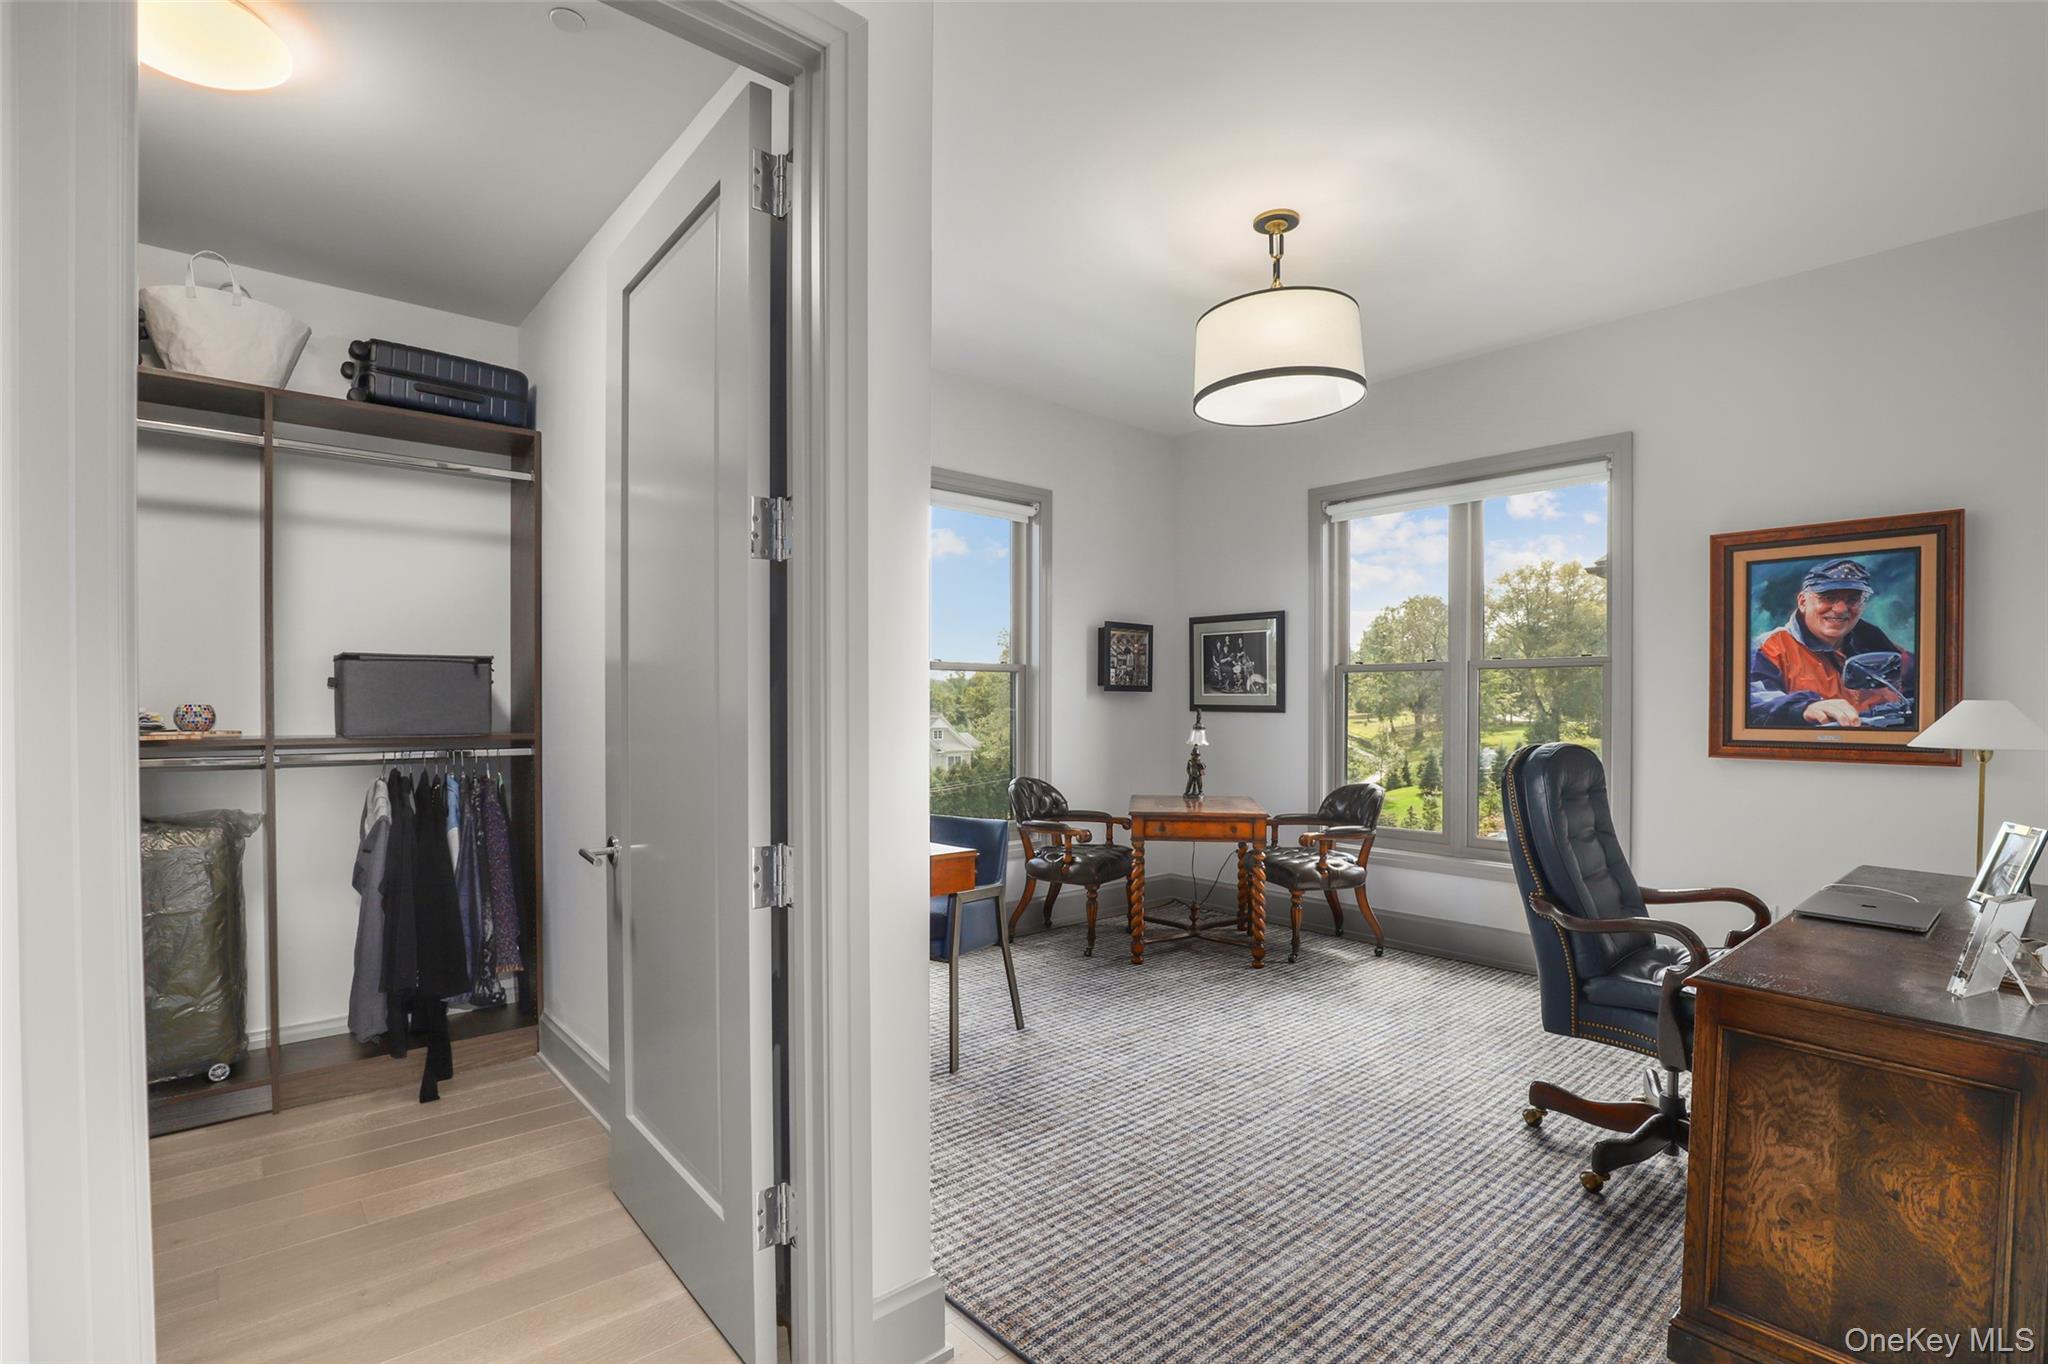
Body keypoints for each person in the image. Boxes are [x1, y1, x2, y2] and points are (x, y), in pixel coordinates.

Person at [1747, 557, 1915, 728]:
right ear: (1803, 602)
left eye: (1852, 600)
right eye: (1827, 597)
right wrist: (1805, 707)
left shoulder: (1875, 642)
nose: (1841, 609)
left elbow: (1924, 685)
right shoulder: (1769, 648)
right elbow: (1751, 699)